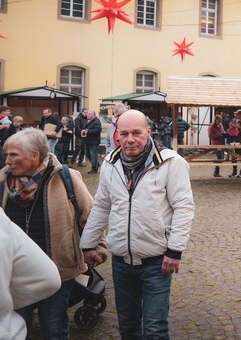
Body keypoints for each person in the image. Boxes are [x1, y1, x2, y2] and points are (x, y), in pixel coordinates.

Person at [80, 109, 195, 339]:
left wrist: (175, 250)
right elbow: (102, 206)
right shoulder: (110, 164)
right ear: (117, 136)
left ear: (148, 132)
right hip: (122, 262)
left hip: (157, 261)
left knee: (154, 330)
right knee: (128, 327)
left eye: (136, 133)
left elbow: (184, 207)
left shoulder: (171, 162)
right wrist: (88, 244)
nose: (130, 139)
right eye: (124, 134)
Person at [0, 127, 107, 340]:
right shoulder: (4, 183)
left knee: (54, 330)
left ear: (35, 156)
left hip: (57, 272)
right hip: (16, 274)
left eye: (13, 155)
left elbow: (91, 214)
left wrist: (96, 247)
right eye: (7, 155)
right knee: (17, 330)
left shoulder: (65, 177)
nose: (7, 160)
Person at [0, 199, 62, 340]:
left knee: (53, 325)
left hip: (50, 258)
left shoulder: (62, 177)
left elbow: (89, 209)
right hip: (6, 331)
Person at [227, 110, 241, 178]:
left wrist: (238, 127)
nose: (236, 116)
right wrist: (232, 126)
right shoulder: (237, 121)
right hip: (235, 141)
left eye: (238, 114)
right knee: (234, 157)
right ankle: (234, 172)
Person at [83, 109, 102, 174]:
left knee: (93, 155)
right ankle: (96, 164)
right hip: (88, 141)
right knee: (87, 154)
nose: (87, 115)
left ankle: (94, 169)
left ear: (93, 115)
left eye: (88, 114)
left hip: (93, 142)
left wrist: (88, 131)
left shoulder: (96, 121)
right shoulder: (89, 121)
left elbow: (98, 130)